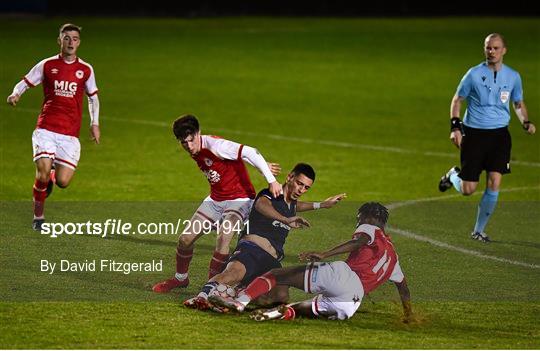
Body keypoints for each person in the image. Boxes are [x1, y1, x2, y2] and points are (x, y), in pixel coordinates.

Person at [210, 202, 412, 322]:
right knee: (298, 308)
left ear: (368, 216)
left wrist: (325, 253)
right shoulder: (394, 257)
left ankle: (239, 303)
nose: (358, 222)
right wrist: (409, 315)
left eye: (359, 218)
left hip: (344, 276)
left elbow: (358, 241)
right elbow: (403, 289)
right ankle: (272, 315)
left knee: (277, 275)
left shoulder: (371, 228)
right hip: (352, 303)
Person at [184, 163, 346, 310]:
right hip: (251, 251)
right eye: (299, 183)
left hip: (272, 261)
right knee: (232, 274)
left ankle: (231, 294)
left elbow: (298, 206)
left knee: (280, 298)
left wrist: (323, 205)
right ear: (289, 177)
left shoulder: (292, 205)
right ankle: (201, 297)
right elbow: (261, 205)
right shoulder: (271, 193)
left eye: (306, 188)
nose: (301, 190)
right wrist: (285, 219)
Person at [152, 115, 282, 292]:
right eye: (184, 142)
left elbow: (250, 151)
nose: (189, 146)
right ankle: (180, 278)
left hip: (240, 199)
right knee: (185, 239)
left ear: (199, 133)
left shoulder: (215, 145)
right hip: (216, 199)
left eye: (191, 140)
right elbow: (237, 158)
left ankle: (212, 286)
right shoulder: (196, 149)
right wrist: (262, 165)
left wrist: (271, 180)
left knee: (223, 237)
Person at [439, 33, 536, 243]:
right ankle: (452, 176)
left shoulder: (513, 76)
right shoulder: (473, 74)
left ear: (504, 50)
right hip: (473, 134)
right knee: (468, 189)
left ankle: (478, 230)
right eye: (488, 48)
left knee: (494, 181)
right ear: (485, 49)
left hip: (500, 136)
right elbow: (457, 100)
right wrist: (455, 127)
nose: (491, 52)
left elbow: (518, 103)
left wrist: (525, 122)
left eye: (496, 48)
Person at [6, 23, 100, 231]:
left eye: (74, 39)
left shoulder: (85, 69)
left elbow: (93, 98)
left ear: (79, 43)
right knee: (41, 172)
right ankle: (38, 217)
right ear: (59, 41)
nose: (70, 42)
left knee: (63, 182)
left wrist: (95, 124)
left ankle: (53, 174)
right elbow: (26, 81)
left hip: (69, 134)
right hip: (46, 129)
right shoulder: (47, 65)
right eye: (66, 38)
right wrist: (15, 94)